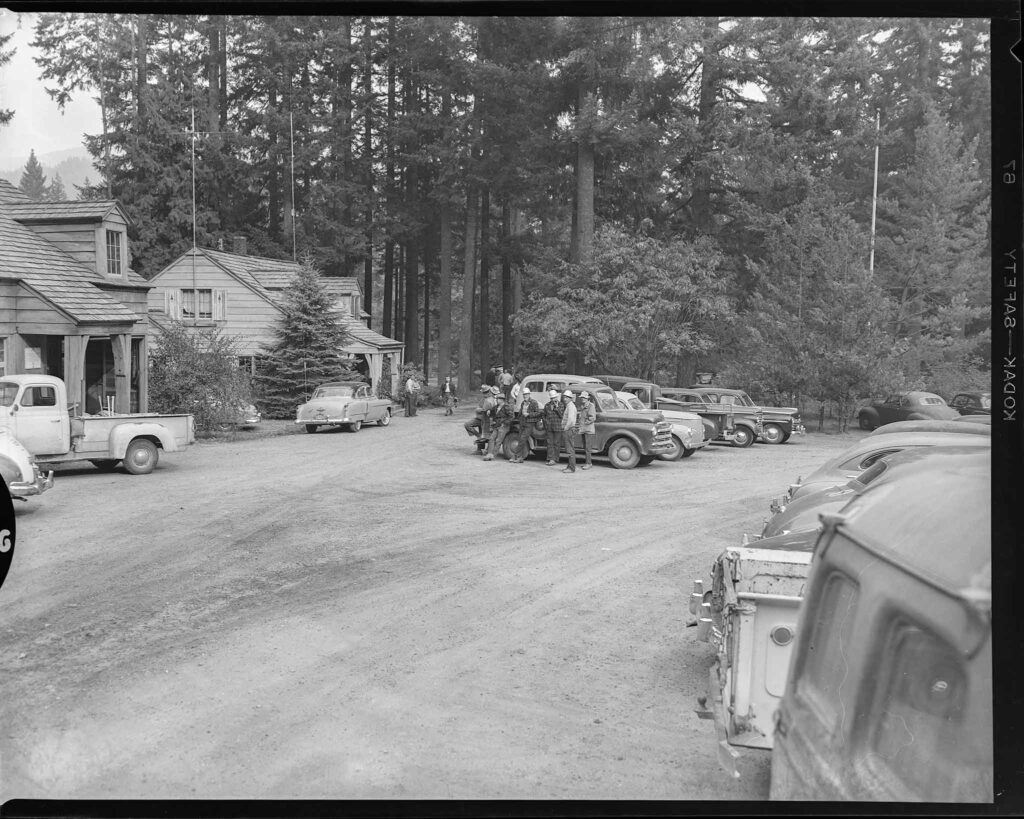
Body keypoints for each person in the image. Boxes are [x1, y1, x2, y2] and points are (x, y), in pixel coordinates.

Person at [512, 386, 542, 464]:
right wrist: (518, 418)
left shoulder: (534, 402)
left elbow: (538, 413)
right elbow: (520, 412)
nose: (525, 396)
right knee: (520, 439)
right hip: (522, 422)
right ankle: (519, 457)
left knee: (522, 439)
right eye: (524, 394)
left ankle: (515, 455)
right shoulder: (523, 403)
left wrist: (529, 414)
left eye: (526, 394)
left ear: (529, 394)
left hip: (530, 423)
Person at [482, 391, 514, 461]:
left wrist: (504, 423)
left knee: (498, 441)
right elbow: (492, 411)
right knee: (491, 439)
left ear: (501, 400)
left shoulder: (506, 407)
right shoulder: (496, 407)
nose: (496, 400)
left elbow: (511, 417)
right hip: (497, 425)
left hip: (503, 426)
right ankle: (489, 453)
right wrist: (489, 411)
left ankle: (493, 455)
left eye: (498, 399)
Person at [542, 389, 564, 466]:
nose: (553, 399)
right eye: (552, 398)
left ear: (557, 397)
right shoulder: (547, 405)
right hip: (549, 427)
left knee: (556, 443)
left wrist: (557, 407)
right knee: (549, 443)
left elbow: (561, 415)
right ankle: (551, 459)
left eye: (554, 398)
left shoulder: (561, 405)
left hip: (557, 427)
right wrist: (546, 423)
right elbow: (543, 415)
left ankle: (555, 459)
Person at [559, 390, 579, 474]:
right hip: (569, 429)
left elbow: (570, 420)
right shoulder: (569, 406)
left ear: (570, 398)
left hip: (569, 429)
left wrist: (565, 428)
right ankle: (569, 466)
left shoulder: (570, 407)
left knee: (570, 449)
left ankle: (571, 468)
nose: (565, 399)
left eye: (567, 397)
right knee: (570, 449)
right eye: (564, 397)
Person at [578, 390, 597, 470]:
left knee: (588, 448)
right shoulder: (583, 406)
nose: (582, 399)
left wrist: (586, 422)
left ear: (587, 398)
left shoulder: (590, 406)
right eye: (582, 397)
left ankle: (588, 463)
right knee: (586, 447)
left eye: (584, 397)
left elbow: (592, 417)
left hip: (588, 430)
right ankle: (587, 462)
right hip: (584, 429)